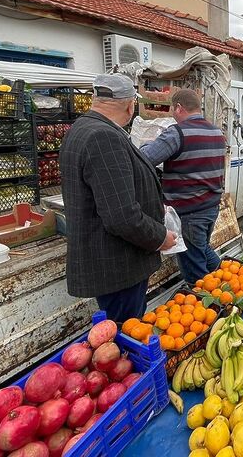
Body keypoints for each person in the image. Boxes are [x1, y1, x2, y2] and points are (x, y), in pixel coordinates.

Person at [60, 74, 176, 322]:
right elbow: (121, 216)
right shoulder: (104, 137)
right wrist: (160, 238)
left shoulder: (81, 129)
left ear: (95, 98)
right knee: (126, 331)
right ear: (130, 105)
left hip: (108, 263)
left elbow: (110, 192)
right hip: (118, 265)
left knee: (117, 331)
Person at [141, 88, 227, 284]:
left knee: (194, 271)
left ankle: (208, 303)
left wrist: (146, 143)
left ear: (178, 107)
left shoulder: (177, 133)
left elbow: (146, 157)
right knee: (201, 248)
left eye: (172, 109)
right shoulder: (216, 132)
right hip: (211, 208)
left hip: (189, 213)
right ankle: (227, 279)